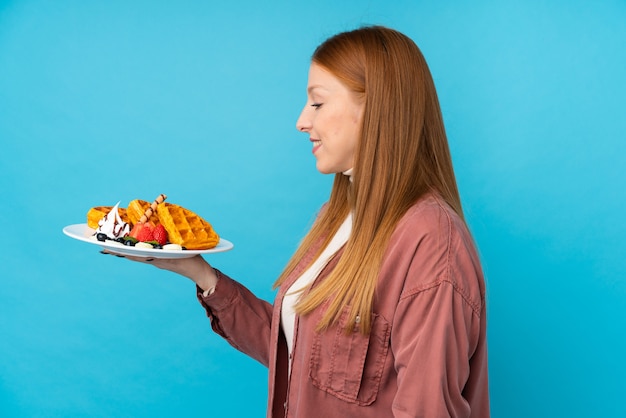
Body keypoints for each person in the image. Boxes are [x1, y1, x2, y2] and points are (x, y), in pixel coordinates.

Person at [113, 25, 490, 418]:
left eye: (317, 103)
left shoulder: (430, 244)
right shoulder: (337, 218)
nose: (300, 121)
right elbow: (300, 355)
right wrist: (201, 275)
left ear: (375, 107)